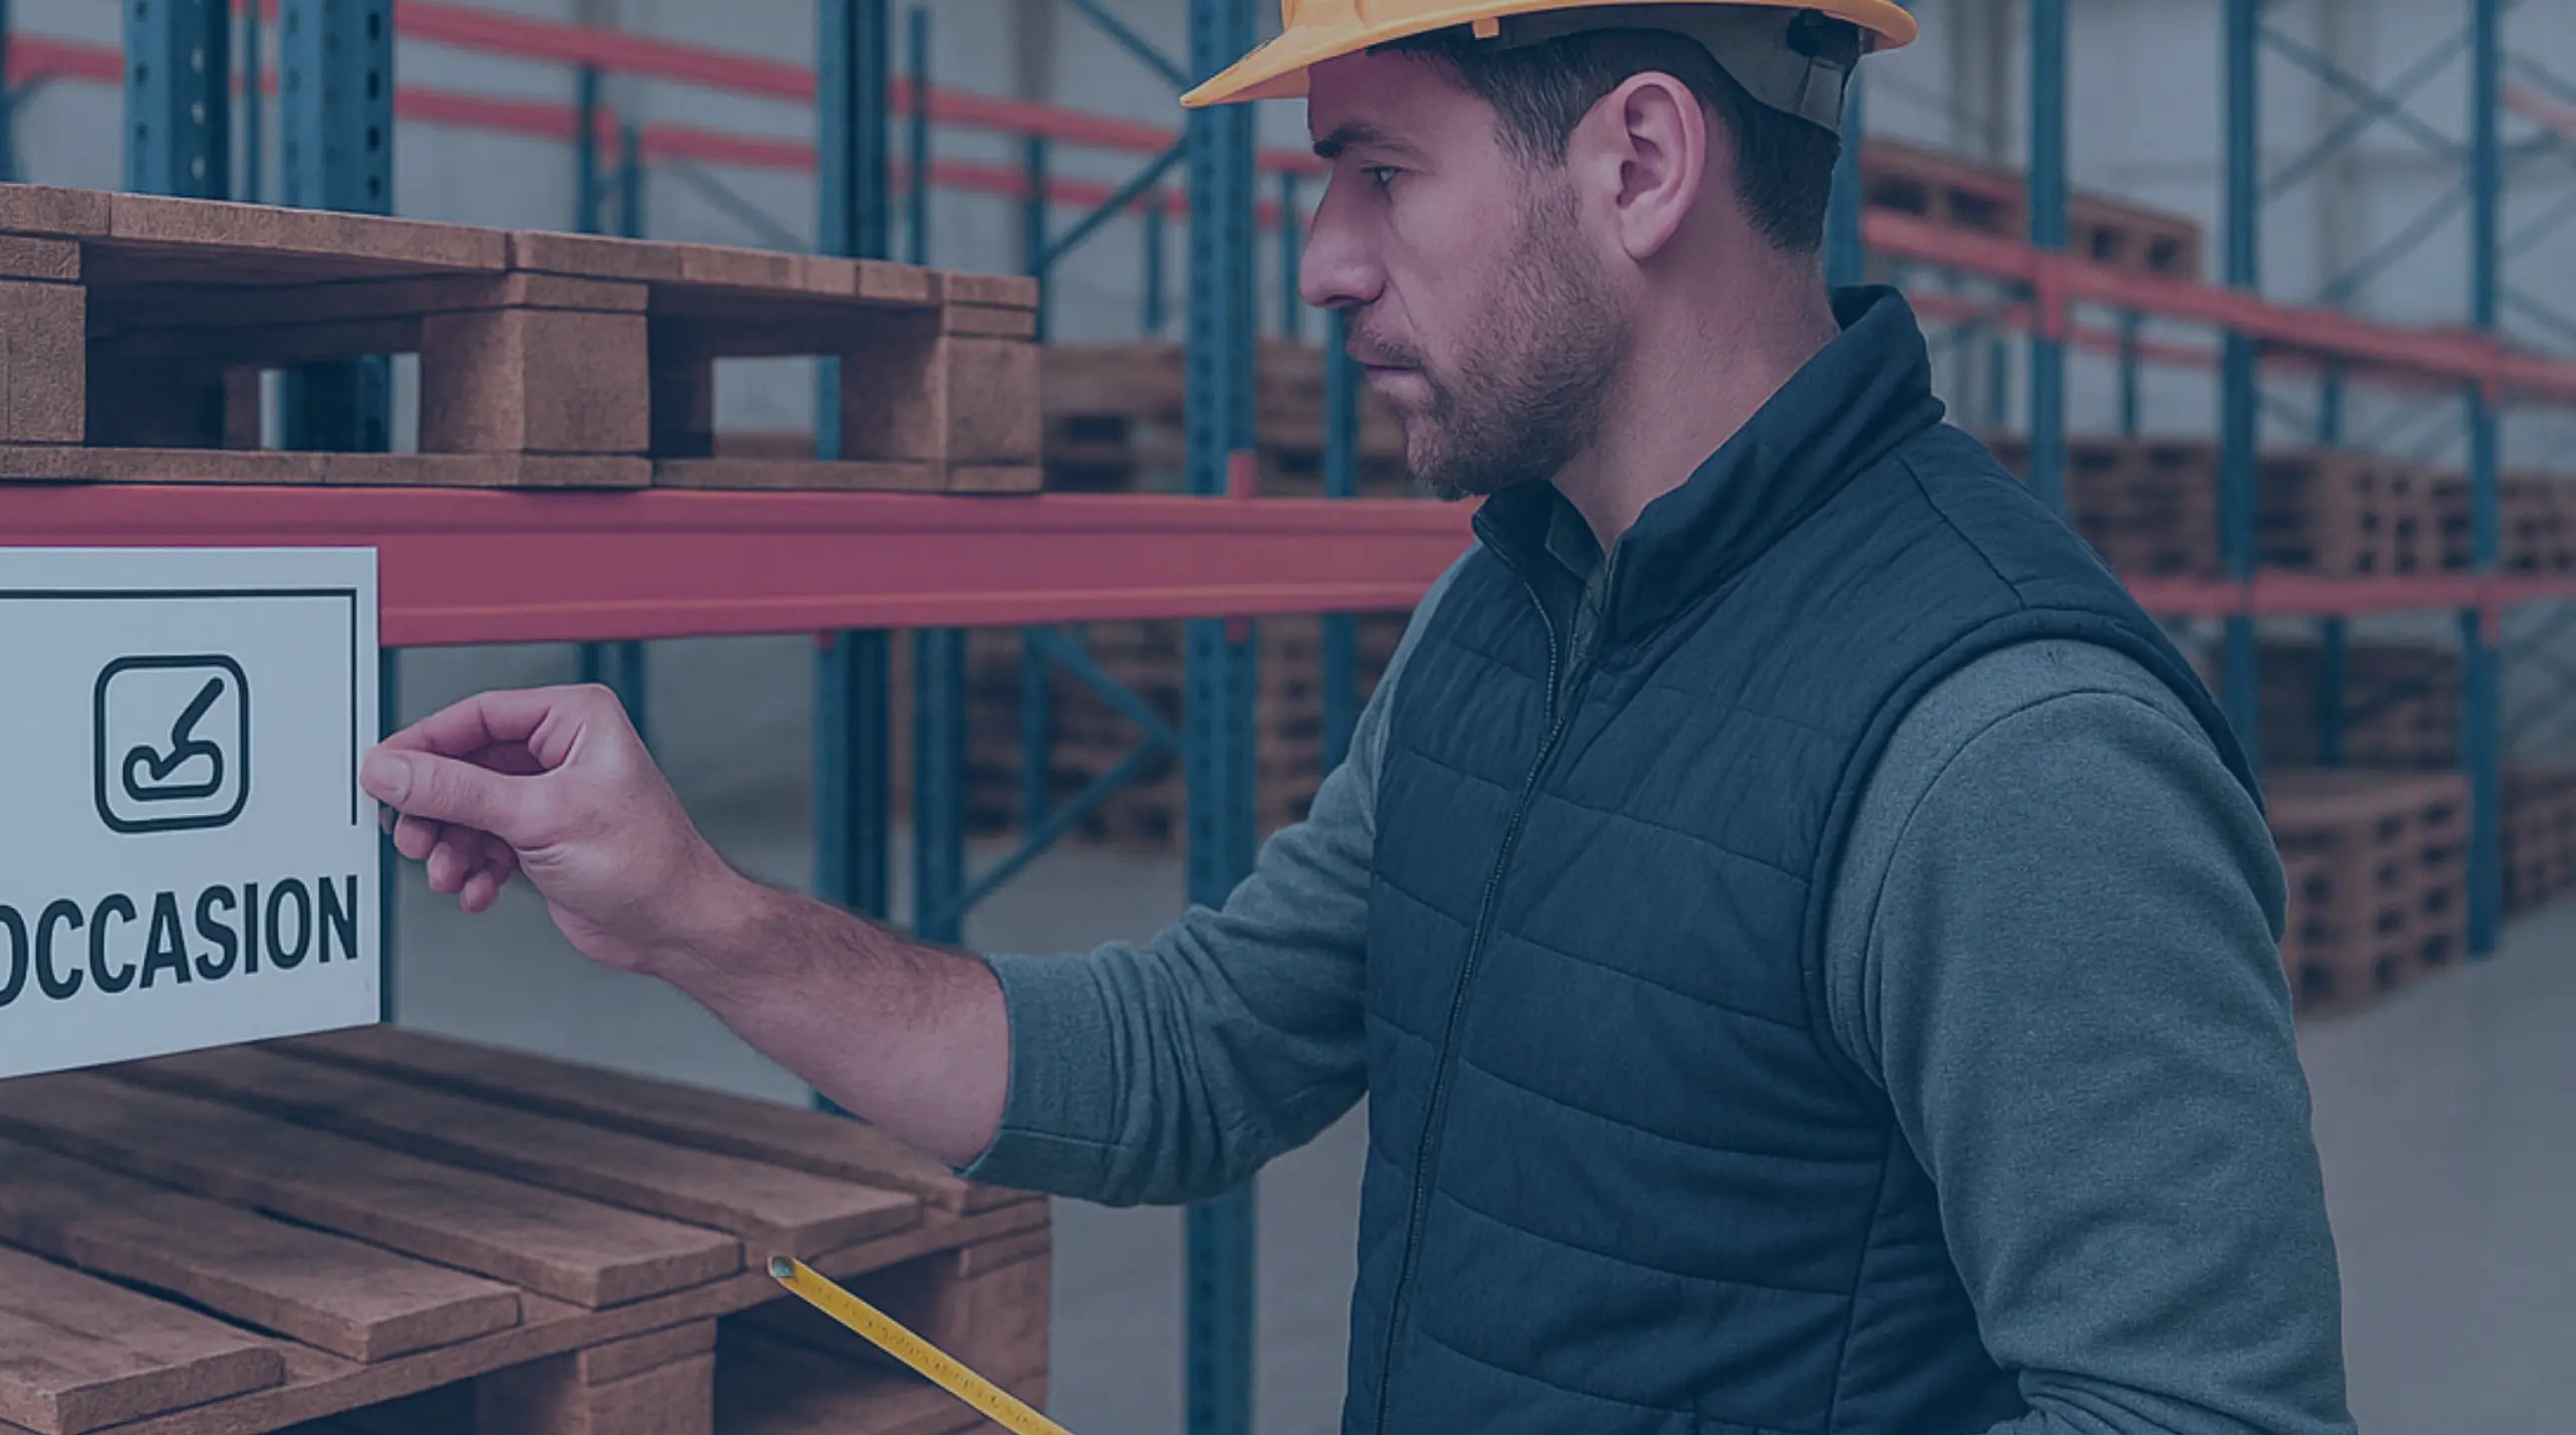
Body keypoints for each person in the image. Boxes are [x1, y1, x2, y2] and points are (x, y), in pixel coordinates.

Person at [358, 4, 2358, 1431]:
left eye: (1378, 176)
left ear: (1640, 162)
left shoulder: (2006, 748)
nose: (1319, 266)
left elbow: (2200, 1413)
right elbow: (1194, 1060)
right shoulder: (1506, 616)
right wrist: (691, 908)